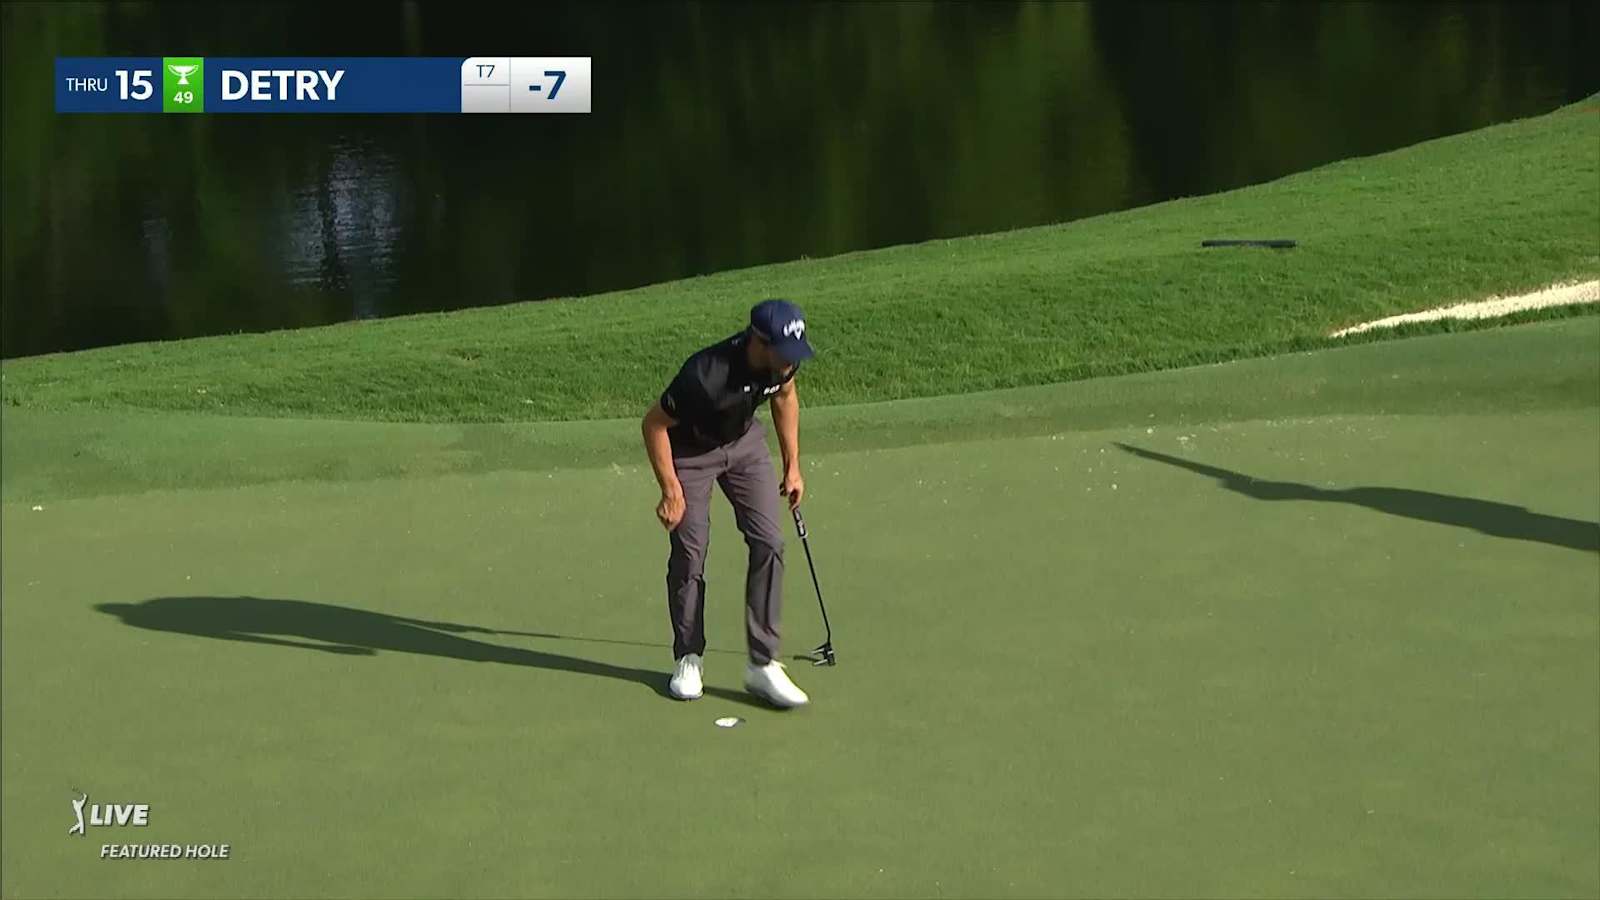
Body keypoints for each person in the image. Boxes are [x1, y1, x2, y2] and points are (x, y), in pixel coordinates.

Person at [641, 299, 814, 707]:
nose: (790, 363)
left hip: (744, 445)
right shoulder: (704, 375)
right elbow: (654, 424)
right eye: (784, 353)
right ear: (759, 342)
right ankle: (688, 655)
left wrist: (792, 467)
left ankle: (762, 663)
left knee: (770, 542)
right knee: (690, 552)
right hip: (690, 453)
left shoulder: (783, 364)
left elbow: (785, 398)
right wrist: (670, 489)